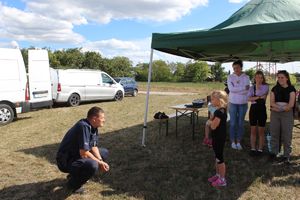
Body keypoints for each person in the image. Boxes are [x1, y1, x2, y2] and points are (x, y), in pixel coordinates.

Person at [56, 106, 110, 194]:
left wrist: (100, 160)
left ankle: (75, 176)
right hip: (65, 161)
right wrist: (99, 163)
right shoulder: (83, 126)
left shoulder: (94, 126)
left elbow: (94, 146)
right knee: (92, 165)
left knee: (104, 153)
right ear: (94, 118)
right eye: (102, 118)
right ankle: (72, 185)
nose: (104, 120)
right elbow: (84, 153)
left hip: (76, 155)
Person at [269, 70, 296, 163]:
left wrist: (281, 109)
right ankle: (274, 152)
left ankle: (286, 155)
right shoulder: (274, 89)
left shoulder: (291, 89)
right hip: (275, 113)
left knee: (287, 134)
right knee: (274, 132)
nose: (280, 79)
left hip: (287, 114)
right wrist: (278, 108)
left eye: (282, 77)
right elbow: (271, 102)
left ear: (287, 78)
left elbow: (291, 104)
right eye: (279, 77)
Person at [227, 60, 250, 150]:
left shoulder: (246, 77)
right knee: (232, 123)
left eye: (237, 67)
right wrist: (242, 88)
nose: (235, 69)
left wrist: (237, 89)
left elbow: (247, 90)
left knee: (240, 123)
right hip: (232, 103)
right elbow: (231, 89)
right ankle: (233, 141)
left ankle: (239, 141)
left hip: (243, 103)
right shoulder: (230, 77)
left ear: (241, 67)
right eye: (234, 68)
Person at [207, 90, 228, 187]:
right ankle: (218, 174)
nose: (211, 101)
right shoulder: (220, 110)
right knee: (217, 156)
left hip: (219, 138)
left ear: (219, 100)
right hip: (217, 137)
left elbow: (213, 126)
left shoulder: (220, 112)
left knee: (219, 158)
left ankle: (222, 179)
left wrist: (209, 122)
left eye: (212, 99)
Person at [247, 71, 269, 156]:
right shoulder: (251, 87)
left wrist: (254, 97)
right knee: (252, 130)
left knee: (261, 131)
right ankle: (252, 148)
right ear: (254, 78)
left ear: (263, 78)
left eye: (260, 77)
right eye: (257, 77)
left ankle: (260, 149)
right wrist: (258, 97)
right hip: (253, 109)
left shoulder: (266, 86)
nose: (259, 79)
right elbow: (248, 99)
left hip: (262, 109)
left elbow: (264, 97)